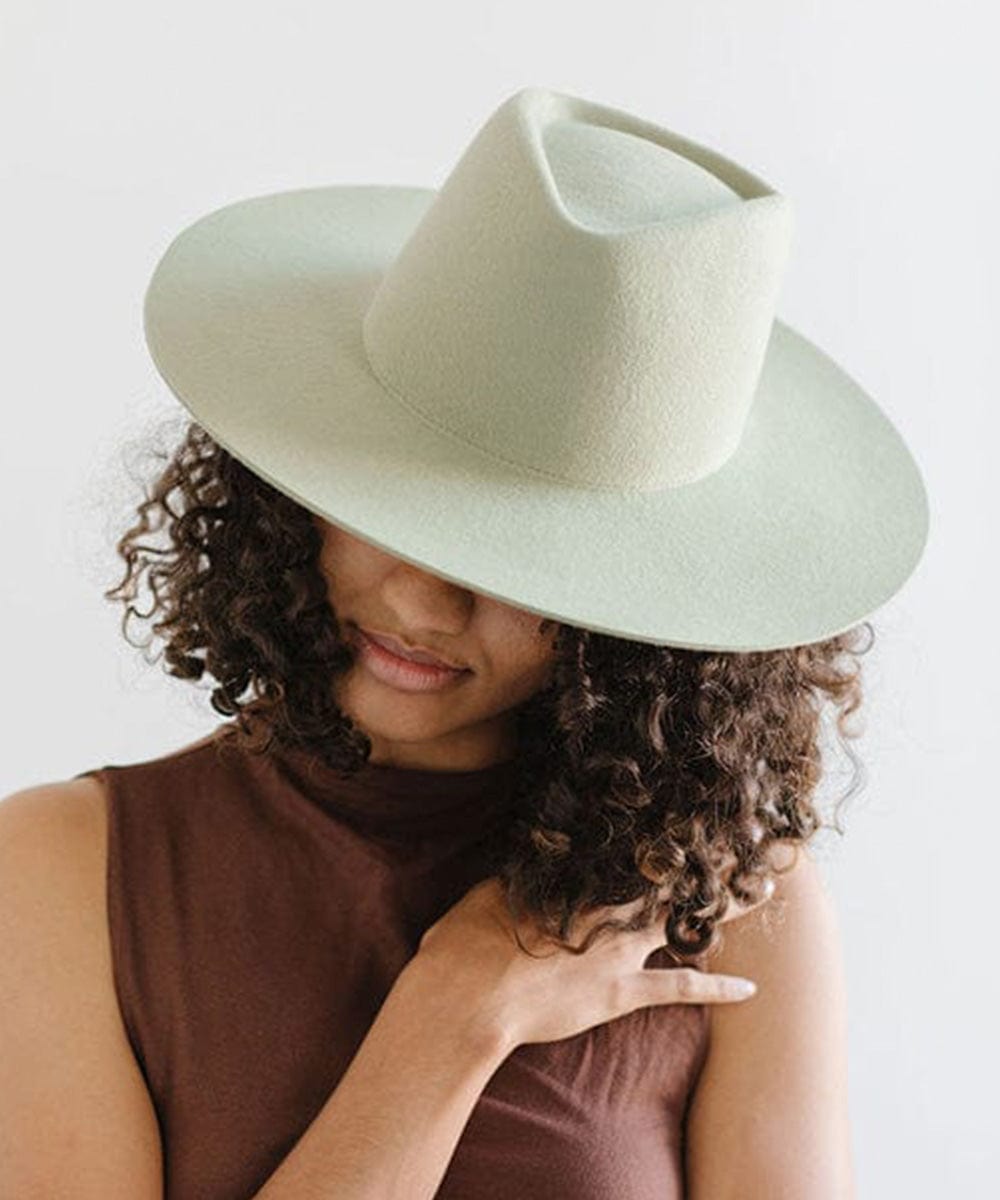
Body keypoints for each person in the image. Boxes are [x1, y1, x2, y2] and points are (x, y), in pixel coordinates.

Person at [0, 85, 928, 1199]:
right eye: (397, 507)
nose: (427, 606)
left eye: (519, 563)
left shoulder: (727, 897)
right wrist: (451, 1016)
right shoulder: (64, 866)